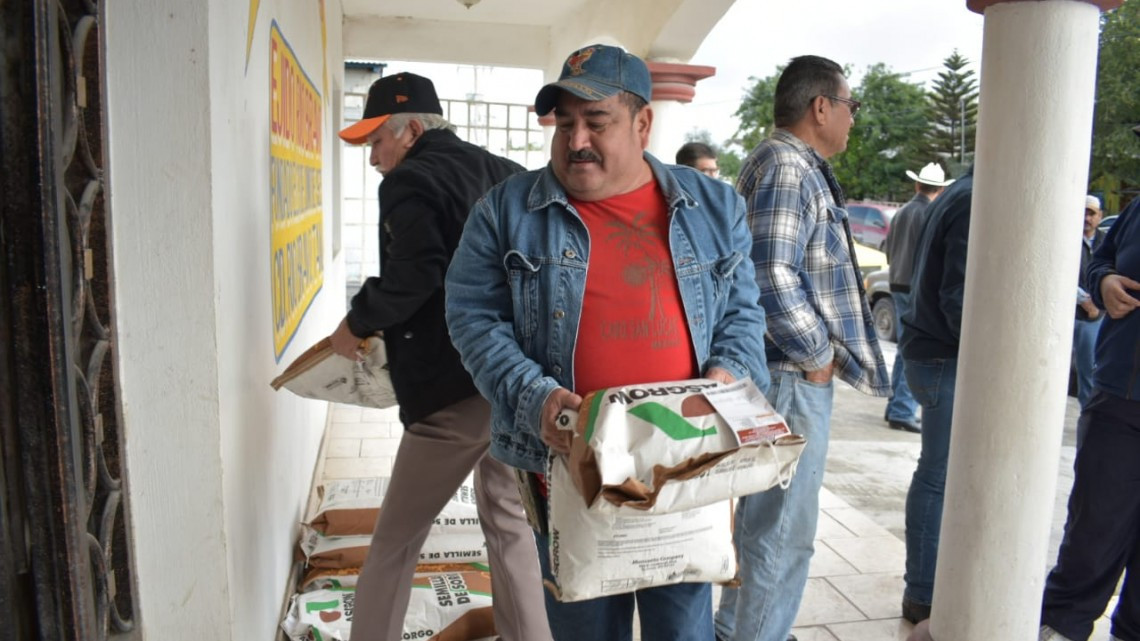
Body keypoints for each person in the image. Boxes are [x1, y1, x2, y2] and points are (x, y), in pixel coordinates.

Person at [444, 44, 769, 641]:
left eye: (597, 122)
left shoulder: (714, 208)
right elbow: (472, 318)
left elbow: (744, 314)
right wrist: (534, 398)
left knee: (683, 629)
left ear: (642, 123)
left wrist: (729, 378)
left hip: (682, 465)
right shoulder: (505, 212)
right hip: (569, 468)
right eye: (564, 123)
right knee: (586, 629)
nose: (575, 141)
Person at [328, 72, 552, 641]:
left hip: (454, 391)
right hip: (514, 380)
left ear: (407, 130)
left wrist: (355, 324)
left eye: (377, 142)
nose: (374, 159)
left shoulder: (409, 182)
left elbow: (414, 275)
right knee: (507, 520)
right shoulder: (504, 172)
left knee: (396, 538)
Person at [714, 55, 890, 641]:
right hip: (790, 373)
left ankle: (740, 627)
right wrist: (819, 356)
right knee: (783, 532)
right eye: (850, 105)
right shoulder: (788, 166)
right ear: (822, 107)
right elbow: (770, 275)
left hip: (785, 372)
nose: (851, 118)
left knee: (767, 524)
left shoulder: (781, 162)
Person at [1039, 193, 1140, 641]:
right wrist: (1105, 281)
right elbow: (1101, 259)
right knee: (1092, 537)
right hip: (1121, 398)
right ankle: (1059, 629)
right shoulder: (1138, 210)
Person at [896, 166, 975, 624]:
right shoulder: (968, 199)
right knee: (938, 474)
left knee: (940, 473)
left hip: (932, 350)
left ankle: (928, 587)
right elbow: (958, 296)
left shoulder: (958, 193)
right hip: (943, 355)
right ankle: (922, 594)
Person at [880, 162, 953, 434]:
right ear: (941, 188)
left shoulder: (902, 213)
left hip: (897, 282)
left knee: (904, 348)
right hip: (914, 287)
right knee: (913, 351)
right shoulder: (930, 214)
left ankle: (896, 407)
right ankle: (901, 409)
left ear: (917, 184)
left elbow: (889, 251)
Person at [1072, 194, 1106, 423]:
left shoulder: (1106, 241)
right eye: (1084, 211)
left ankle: (1087, 419)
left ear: (1100, 216)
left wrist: (1096, 303)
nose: (1087, 218)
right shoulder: (1069, 239)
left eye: (1092, 213)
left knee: (1089, 374)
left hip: (1092, 319)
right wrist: (1083, 299)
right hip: (1071, 312)